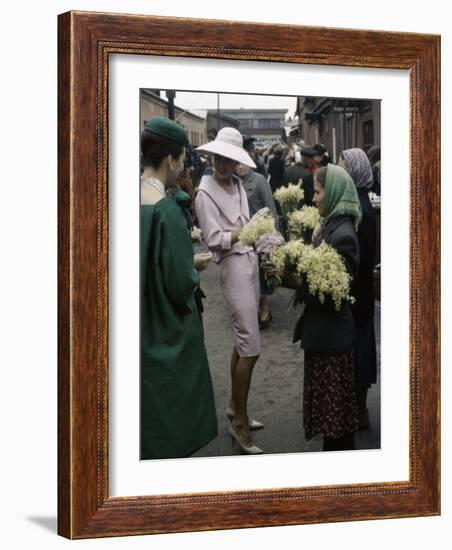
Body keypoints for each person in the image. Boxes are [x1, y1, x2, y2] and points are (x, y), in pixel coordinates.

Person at [140, 117, 217, 459]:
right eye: (183, 158)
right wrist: (193, 266)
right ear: (170, 160)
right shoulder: (166, 211)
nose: (184, 165)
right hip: (164, 322)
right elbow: (178, 281)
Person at [278, 164, 361, 451]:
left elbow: (334, 294)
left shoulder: (343, 235)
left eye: (317, 192)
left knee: (335, 424)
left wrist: (294, 280)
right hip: (326, 338)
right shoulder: (331, 225)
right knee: (332, 421)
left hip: (332, 341)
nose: (313, 199)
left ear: (334, 192)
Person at [195, 127, 264, 455]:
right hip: (232, 266)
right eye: (219, 157)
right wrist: (240, 234)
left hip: (249, 261)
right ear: (211, 156)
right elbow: (212, 239)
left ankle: (236, 409)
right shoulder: (204, 193)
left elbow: (248, 226)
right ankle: (239, 421)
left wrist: (259, 238)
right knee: (251, 346)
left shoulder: (238, 184)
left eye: (230, 158)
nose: (223, 164)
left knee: (243, 339)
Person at [339, 148, 378, 429]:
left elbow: (360, 258)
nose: (339, 171)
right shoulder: (357, 201)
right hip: (360, 291)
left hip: (360, 292)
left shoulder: (361, 208)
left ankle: (360, 411)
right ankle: (356, 409)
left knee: (360, 350)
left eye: (343, 167)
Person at [235, 161, 278, 328]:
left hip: (260, 233)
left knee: (260, 272)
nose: (239, 167)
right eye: (236, 164)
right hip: (240, 235)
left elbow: (270, 207)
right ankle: (254, 309)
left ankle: (265, 309)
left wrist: (273, 234)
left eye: (242, 164)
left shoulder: (259, 180)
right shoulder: (234, 181)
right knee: (247, 273)